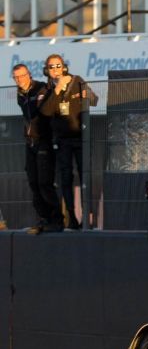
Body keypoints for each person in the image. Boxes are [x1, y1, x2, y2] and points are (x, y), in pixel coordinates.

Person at [39, 54, 95, 230]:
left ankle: (88, 217)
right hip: (62, 141)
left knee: (85, 175)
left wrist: (88, 95)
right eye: (51, 67)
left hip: (80, 137)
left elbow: (94, 100)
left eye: (58, 66)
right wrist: (57, 90)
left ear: (64, 67)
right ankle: (71, 217)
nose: (55, 69)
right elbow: (46, 112)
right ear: (46, 70)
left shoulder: (77, 80)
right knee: (65, 178)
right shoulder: (46, 89)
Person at [13, 64, 63, 234]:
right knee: (33, 182)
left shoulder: (41, 88)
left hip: (45, 141)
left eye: (22, 75)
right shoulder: (20, 94)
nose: (19, 79)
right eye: (16, 77)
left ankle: (57, 220)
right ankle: (44, 218)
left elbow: (43, 113)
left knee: (44, 182)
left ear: (29, 75)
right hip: (31, 143)